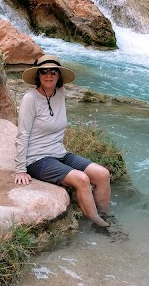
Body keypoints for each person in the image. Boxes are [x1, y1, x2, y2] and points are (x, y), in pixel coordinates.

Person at [14, 54, 112, 228]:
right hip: (37, 159)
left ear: (59, 75)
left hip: (60, 153)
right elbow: (22, 134)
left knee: (102, 174)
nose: (48, 75)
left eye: (53, 71)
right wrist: (21, 169)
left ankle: (107, 217)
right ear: (38, 75)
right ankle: (99, 226)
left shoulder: (61, 93)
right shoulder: (30, 99)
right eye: (43, 71)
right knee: (82, 179)